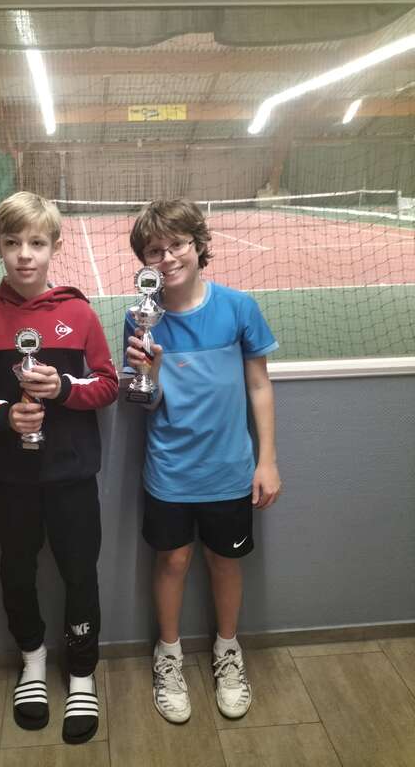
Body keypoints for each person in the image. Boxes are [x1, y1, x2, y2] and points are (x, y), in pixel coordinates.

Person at [0, 191, 118, 745]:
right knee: (17, 570)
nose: (24, 254)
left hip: (72, 475)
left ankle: (82, 673)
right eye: (13, 242)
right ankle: (33, 662)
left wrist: (63, 388)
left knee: (79, 571)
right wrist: (3, 417)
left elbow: (108, 384)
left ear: (54, 247)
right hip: (11, 479)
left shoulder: (79, 315)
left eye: (36, 243)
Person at [124, 199, 281, 724]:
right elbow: (146, 402)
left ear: (198, 246)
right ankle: (168, 656)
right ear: (144, 262)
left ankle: (227, 651)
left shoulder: (238, 308)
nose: (167, 257)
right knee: (172, 562)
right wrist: (152, 373)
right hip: (169, 471)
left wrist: (267, 460)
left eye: (177, 244)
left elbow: (259, 385)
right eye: (154, 250)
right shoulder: (139, 319)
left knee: (225, 562)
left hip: (230, 470)